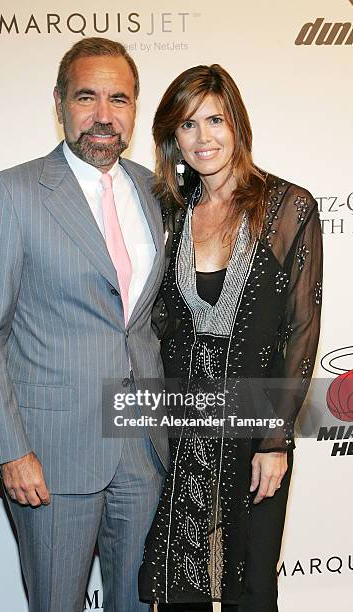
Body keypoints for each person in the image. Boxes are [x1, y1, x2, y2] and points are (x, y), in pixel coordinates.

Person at [0, 37, 169, 612]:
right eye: (87, 97)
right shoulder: (11, 192)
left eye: (119, 99)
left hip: (143, 447)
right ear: (59, 103)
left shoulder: (157, 190)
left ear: (134, 107)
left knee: (137, 601)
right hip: (51, 452)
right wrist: (10, 450)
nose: (104, 115)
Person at [138, 64, 322, 611]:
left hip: (253, 428)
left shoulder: (290, 207)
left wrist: (273, 440)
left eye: (214, 120)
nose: (203, 138)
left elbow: (300, 333)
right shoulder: (168, 212)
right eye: (187, 125)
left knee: (253, 590)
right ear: (173, 137)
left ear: (236, 123)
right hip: (181, 428)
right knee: (179, 590)